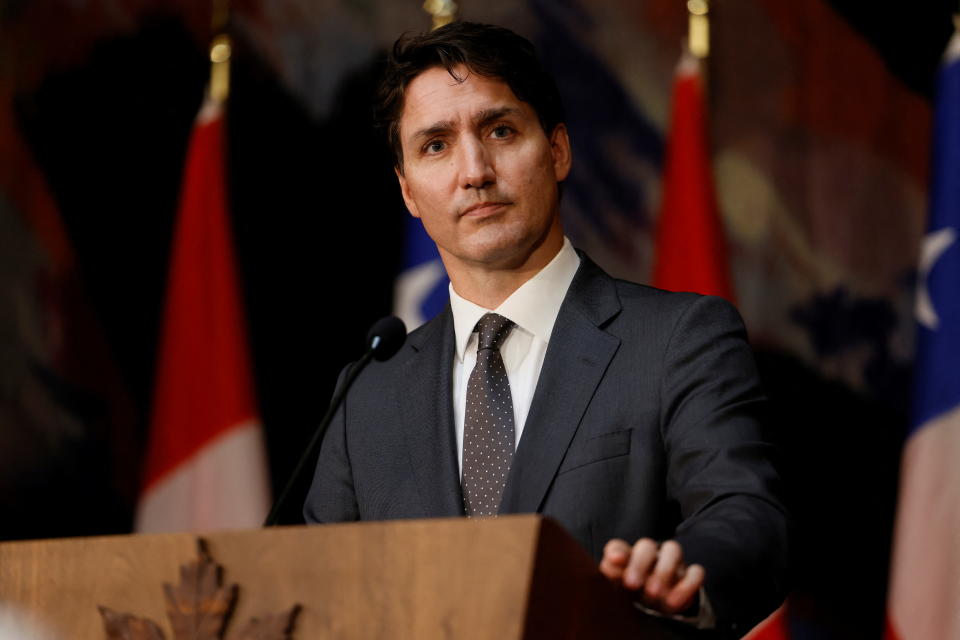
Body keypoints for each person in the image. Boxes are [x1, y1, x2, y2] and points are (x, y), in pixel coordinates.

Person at [304, 21, 787, 637]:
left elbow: (746, 516)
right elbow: (316, 594)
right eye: (435, 146)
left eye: (499, 131)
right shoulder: (367, 395)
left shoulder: (678, 340)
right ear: (408, 191)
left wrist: (685, 572)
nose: (474, 171)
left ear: (557, 150)